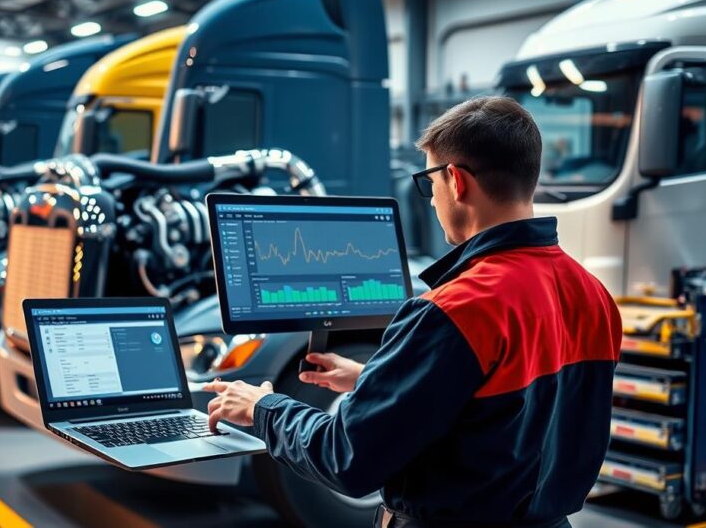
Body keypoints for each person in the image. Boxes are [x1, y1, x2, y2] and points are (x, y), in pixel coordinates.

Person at [204, 96, 622, 528]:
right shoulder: (593, 295)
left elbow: (347, 457)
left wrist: (263, 407)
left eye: (430, 183)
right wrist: (376, 380)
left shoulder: (452, 311)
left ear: (456, 181)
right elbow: (507, 415)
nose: (431, 199)